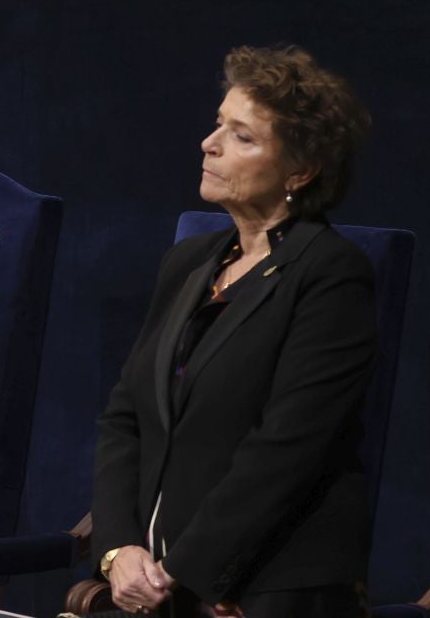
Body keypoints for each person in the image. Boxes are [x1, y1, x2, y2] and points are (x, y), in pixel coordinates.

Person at [92, 46, 376, 618]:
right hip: (154, 581)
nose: (210, 143)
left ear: (300, 171)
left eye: (242, 136)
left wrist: (180, 571)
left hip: (263, 585)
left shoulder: (330, 274)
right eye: (218, 123)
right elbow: (125, 416)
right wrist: (118, 549)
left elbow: (288, 449)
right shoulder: (190, 263)